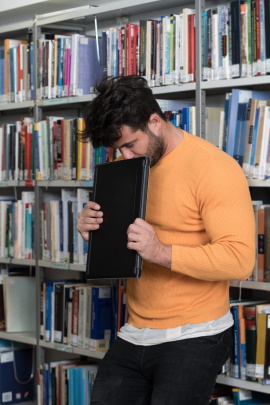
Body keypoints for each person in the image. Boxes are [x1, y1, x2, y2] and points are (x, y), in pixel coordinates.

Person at [76, 75, 255, 405]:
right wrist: (94, 233)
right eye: (118, 149)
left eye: (131, 144)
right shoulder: (128, 168)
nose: (125, 156)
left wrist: (160, 251)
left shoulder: (215, 168)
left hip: (196, 334)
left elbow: (240, 260)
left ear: (155, 121)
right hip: (135, 330)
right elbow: (127, 245)